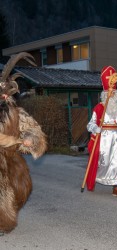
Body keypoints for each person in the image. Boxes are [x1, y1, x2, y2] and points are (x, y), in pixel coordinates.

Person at [0, 52, 47, 235]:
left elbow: (34, 131)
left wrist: (30, 139)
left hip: (11, 157)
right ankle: (4, 222)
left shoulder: (17, 114)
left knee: (22, 187)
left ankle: (5, 218)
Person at [85, 66, 117, 197]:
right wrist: (95, 128)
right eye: (109, 92)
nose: (112, 94)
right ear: (105, 94)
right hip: (103, 138)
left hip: (116, 139)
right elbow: (90, 124)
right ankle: (97, 178)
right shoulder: (99, 108)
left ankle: (116, 188)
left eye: (114, 92)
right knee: (102, 162)